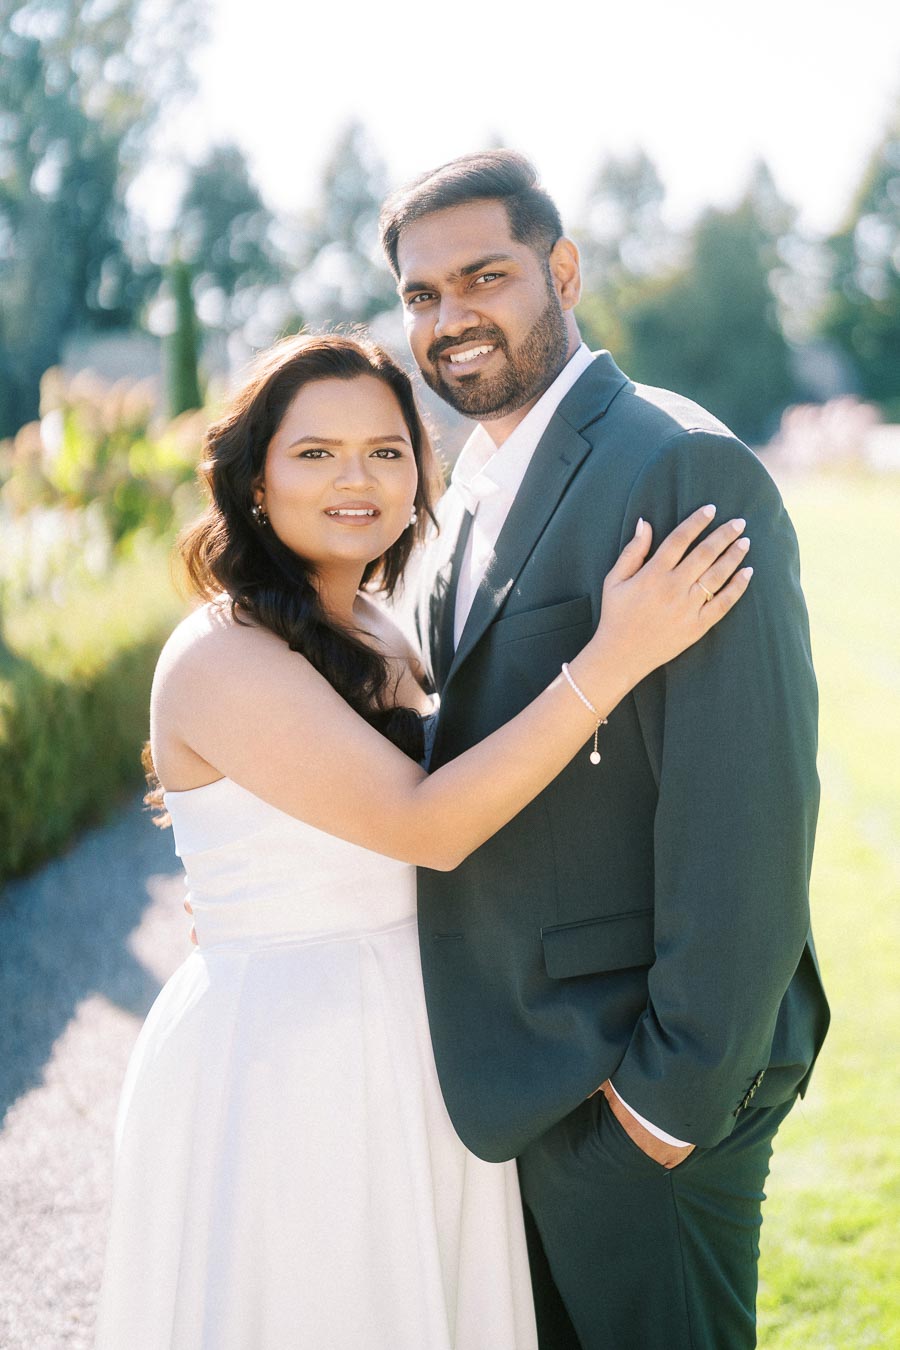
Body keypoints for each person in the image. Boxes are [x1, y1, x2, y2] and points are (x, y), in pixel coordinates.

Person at [94, 332, 752, 1349]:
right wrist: (617, 654)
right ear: (255, 481)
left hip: (420, 1042)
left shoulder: (377, 629)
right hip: (294, 1062)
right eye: (314, 453)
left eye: (387, 451)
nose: (356, 478)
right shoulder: (223, 653)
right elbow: (426, 825)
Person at [379, 150, 830, 1349]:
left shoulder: (676, 461)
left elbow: (751, 807)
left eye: (485, 276)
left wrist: (664, 1106)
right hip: (526, 1090)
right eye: (422, 295)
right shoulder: (467, 490)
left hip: (637, 1105)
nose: (451, 317)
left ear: (562, 268)